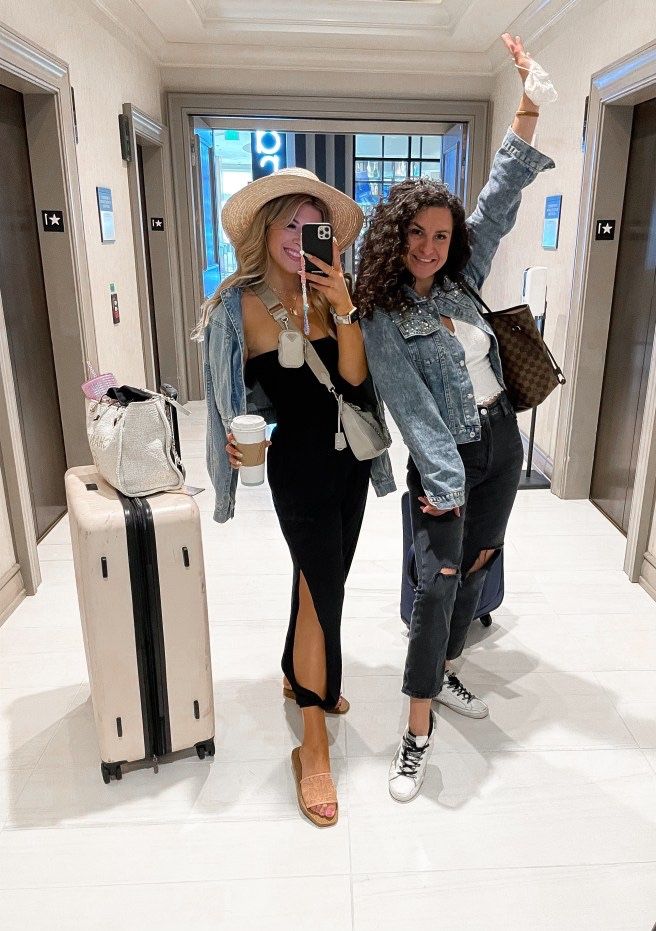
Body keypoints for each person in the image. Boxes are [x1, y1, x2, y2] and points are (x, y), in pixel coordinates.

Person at [356, 34, 556, 802]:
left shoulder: (462, 278)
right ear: (396, 235)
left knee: (478, 563)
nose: (431, 248)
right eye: (418, 235)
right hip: (447, 460)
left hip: (502, 440)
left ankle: (445, 674)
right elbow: (412, 411)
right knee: (436, 581)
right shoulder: (383, 312)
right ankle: (415, 737)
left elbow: (501, 195)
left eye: (442, 236)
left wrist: (530, 101)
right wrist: (443, 484)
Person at [199, 168, 395, 826]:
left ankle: (294, 666)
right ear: (264, 229)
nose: (297, 236)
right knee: (321, 592)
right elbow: (231, 404)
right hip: (298, 468)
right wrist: (231, 445)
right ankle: (312, 743)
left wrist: (342, 302)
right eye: (288, 223)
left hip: (351, 464)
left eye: (310, 226)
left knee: (324, 578)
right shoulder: (240, 305)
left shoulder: (336, 292)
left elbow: (355, 379)